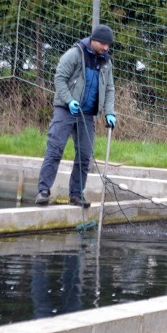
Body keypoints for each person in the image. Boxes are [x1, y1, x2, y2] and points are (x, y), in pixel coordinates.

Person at [35, 24, 117, 208]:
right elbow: (59, 78)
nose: (106, 47)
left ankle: (76, 195)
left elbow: (109, 88)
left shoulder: (106, 61)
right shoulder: (74, 54)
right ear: (93, 40)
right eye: (103, 43)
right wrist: (69, 100)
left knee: (85, 156)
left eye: (108, 44)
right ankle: (43, 191)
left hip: (87, 115)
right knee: (55, 149)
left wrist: (109, 112)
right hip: (66, 110)